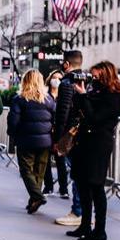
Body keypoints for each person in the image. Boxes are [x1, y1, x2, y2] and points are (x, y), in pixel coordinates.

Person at [64, 61, 120, 240]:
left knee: (95, 185)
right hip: (84, 142)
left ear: (105, 75)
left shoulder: (113, 96)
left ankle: (99, 231)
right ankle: (84, 225)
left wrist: (84, 96)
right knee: (82, 184)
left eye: (95, 75)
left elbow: (95, 118)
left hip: (98, 144)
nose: (92, 78)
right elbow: (79, 111)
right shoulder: (93, 92)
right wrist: (80, 94)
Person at [8, 70, 55, 214]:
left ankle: (37, 196)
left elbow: (13, 121)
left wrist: (12, 134)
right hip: (45, 141)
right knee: (39, 172)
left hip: (25, 140)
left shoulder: (20, 99)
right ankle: (33, 200)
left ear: (25, 81)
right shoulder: (48, 100)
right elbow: (55, 120)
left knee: (26, 170)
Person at [53, 51, 84, 226]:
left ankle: (77, 211)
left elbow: (62, 112)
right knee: (83, 173)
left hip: (71, 133)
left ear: (66, 64)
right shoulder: (88, 80)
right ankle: (85, 210)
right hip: (86, 132)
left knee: (76, 173)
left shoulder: (67, 83)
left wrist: (57, 139)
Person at [42, 70, 68, 198]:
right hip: (47, 131)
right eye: (54, 77)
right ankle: (48, 187)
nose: (56, 80)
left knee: (60, 160)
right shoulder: (45, 95)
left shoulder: (65, 96)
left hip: (60, 132)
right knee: (46, 160)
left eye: (59, 78)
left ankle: (63, 189)